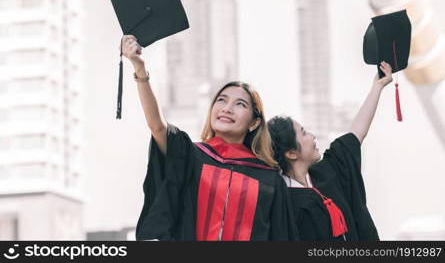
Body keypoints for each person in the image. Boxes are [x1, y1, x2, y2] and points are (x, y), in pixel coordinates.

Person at [120, 35, 296, 241]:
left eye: (240, 104)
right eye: (221, 100)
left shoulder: (269, 180)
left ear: (254, 123)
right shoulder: (190, 156)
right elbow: (157, 126)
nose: (227, 109)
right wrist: (140, 68)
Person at [266, 63, 394, 241]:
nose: (312, 136)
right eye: (304, 133)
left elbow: (356, 135)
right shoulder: (283, 204)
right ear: (291, 153)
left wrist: (377, 87)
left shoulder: (327, 173)